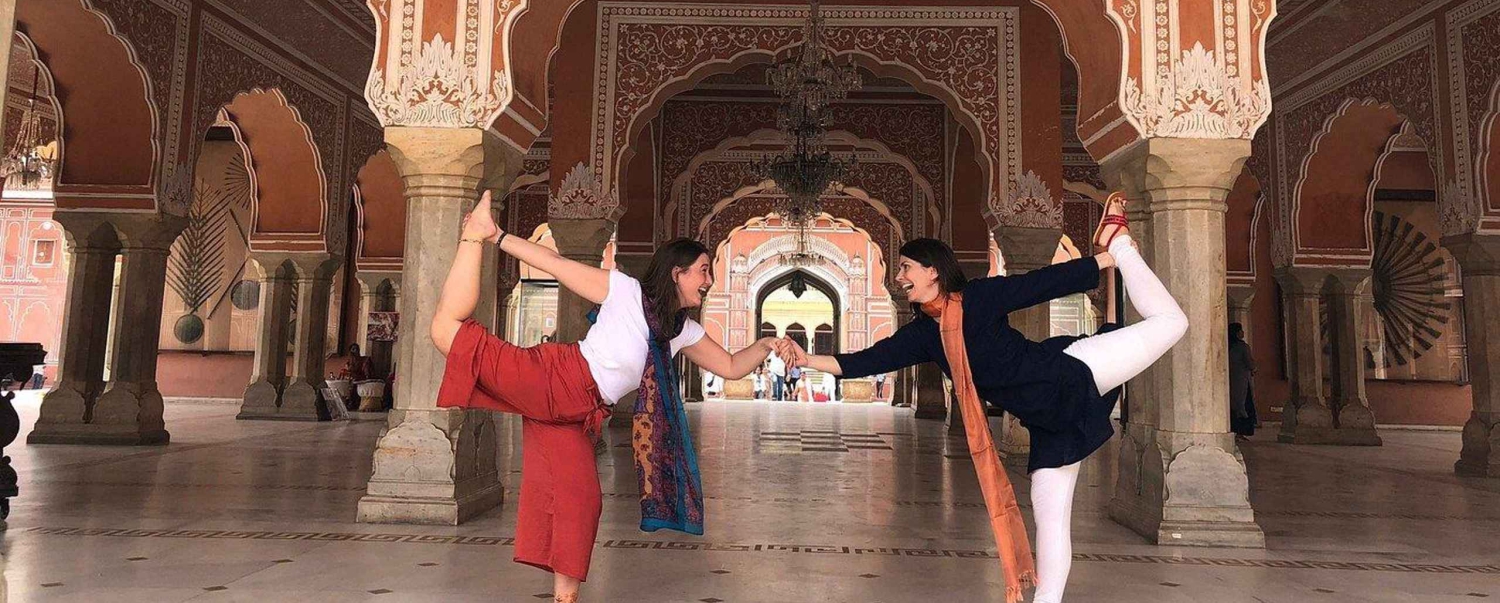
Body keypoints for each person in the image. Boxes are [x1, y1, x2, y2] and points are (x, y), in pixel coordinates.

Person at [777, 194, 1186, 603]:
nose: (899, 276)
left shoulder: (978, 298)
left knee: (1172, 322)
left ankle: (1120, 243)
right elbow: (864, 361)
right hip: (1048, 423)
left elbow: (1037, 285)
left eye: (905, 267)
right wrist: (806, 358)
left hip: (1074, 371)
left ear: (932, 271)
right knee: (1050, 518)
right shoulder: (925, 335)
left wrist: (1107, 259)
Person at [431, 190, 778, 603]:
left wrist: (768, 345)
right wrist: (497, 236)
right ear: (677, 273)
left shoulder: (681, 331)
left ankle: (565, 598)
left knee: (583, 501)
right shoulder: (625, 291)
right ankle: (474, 234)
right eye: (703, 271)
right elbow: (556, 264)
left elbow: (732, 366)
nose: (709, 281)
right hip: (554, 379)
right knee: (446, 331)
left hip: (580, 414)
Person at [1229, 322, 1257, 438]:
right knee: (1243, 405)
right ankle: (1241, 431)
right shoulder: (1243, 347)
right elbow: (1250, 363)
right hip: (1242, 381)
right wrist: (1254, 368)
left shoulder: (1228, 346)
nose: (1243, 332)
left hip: (1231, 380)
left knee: (1233, 405)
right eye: (1241, 330)